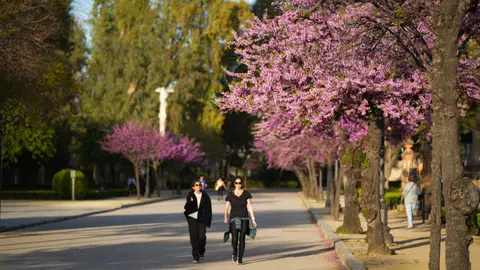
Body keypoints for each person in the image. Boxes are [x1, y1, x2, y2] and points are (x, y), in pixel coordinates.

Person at [224, 177, 257, 265]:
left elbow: (249, 206)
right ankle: (235, 251)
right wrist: (225, 217)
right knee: (235, 239)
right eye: (236, 183)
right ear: (234, 184)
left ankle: (240, 258)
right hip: (234, 218)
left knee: (242, 238)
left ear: (242, 183)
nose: (238, 184)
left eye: (239, 183)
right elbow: (227, 207)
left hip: (244, 218)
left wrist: (253, 219)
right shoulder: (230, 194)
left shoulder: (246, 194)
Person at [184, 180, 212, 263]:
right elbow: (187, 207)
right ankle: (195, 256)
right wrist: (191, 201)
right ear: (193, 187)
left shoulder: (205, 195)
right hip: (192, 218)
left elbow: (209, 209)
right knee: (193, 237)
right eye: (196, 185)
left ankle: (201, 251)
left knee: (201, 237)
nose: (198, 186)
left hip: (202, 219)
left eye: (200, 185)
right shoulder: (190, 195)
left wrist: (208, 220)